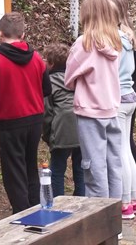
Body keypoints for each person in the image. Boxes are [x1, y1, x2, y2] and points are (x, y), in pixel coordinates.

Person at [0, 12, 52, 214]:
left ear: (1, 34)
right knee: (30, 164)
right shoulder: (37, 58)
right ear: (23, 34)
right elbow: (46, 89)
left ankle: (21, 211)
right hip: (35, 119)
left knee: (13, 170)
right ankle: (36, 207)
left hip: (10, 121)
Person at [64, 0, 123, 199]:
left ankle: (99, 224)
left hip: (90, 112)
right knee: (113, 165)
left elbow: (69, 77)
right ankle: (115, 221)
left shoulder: (84, 43)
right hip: (112, 109)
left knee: (93, 168)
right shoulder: (115, 41)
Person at [108, 0, 136, 219]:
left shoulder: (112, 39)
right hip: (130, 96)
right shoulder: (128, 36)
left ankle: (124, 202)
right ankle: (134, 199)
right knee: (127, 151)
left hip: (119, 98)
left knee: (120, 151)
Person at [42, 43, 85, 197]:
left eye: (45, 59)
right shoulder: (75, 78)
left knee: (57, 171)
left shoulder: (49, 82)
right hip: (83, 126)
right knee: (80, 170)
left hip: (62, 130)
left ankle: (58, 204)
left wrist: (48, 136)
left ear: (51, 64)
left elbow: (47, 113)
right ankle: (82, 203)